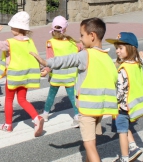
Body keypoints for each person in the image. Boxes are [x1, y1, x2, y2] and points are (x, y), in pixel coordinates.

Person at [31, 17, 118, 162]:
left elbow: (67, 60)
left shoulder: (86, 54)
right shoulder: (106, 57)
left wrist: (47, 62)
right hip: (101, 109)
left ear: (92, 36)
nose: (80, 38)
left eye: (82, 35)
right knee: (92, 142)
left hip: (87, 109)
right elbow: (114, 78)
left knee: (89, 145)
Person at [106, 32, 143, 162]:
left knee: (122, 132)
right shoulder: (136, 64)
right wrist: (141, 57)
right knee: (125, 127)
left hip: (122, 106)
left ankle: (125, 158)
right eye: (116, 49)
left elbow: (119, 91)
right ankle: (133, 147)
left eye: (120, 48)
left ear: (130, 48)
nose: (117, 52)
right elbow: (139, 61)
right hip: (131, 105)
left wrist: (111, 102)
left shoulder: (123, 69)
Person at [40, 16, 82, 127]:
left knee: (51, 95)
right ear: (65, 29)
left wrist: (46, 71)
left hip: (57, 75)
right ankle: (77, 116)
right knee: (73, 97)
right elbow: (81, 51)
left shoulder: (51, 42)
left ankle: (45, 114)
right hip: (71, 75)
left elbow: (50, 60)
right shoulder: (72, 42)